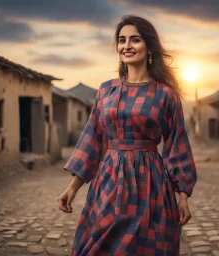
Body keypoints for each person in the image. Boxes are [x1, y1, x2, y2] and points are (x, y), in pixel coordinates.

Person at [58, 15, 197, 256]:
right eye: (122, 40)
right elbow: (93, 138)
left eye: (135, 40)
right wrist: (73, 187)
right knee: (99, 245)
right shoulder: (106, 90)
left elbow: (177, 145)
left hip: (150, 183)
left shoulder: (166, 95)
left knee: (145, 246)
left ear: (149, 46)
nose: (127, 45)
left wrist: (183, 196)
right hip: (109, 181)